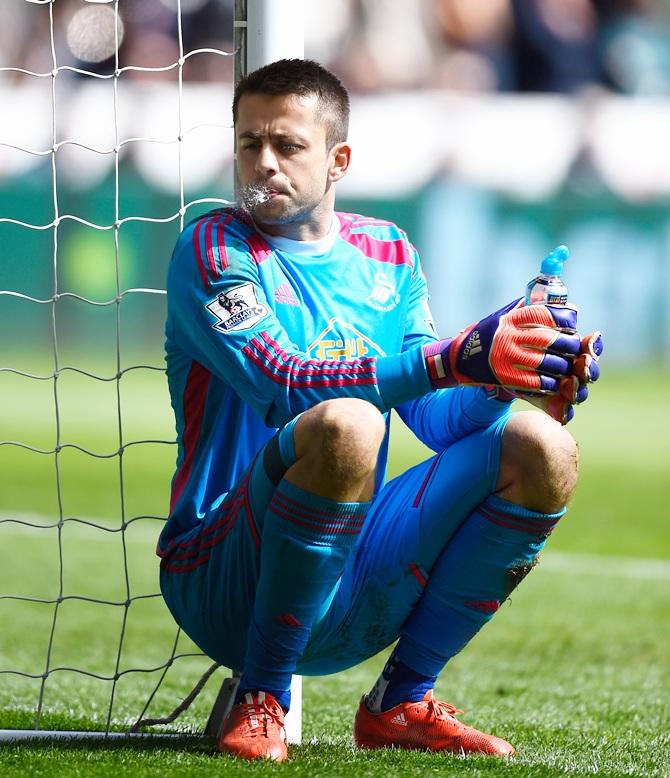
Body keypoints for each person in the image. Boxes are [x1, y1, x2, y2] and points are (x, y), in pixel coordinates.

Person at [158, 58, 602, 762]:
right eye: (249, 143)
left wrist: (507, 377)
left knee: (542, 446)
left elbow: (434, 414)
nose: (263, 163)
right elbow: (282, 385)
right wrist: (451, 358)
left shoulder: (388, 250)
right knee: (348, 422)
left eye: (287, 146)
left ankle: (402, 700)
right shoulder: (212, 248)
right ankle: (262, 693)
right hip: (220, 577)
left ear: (338, 160)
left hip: (352, 574)